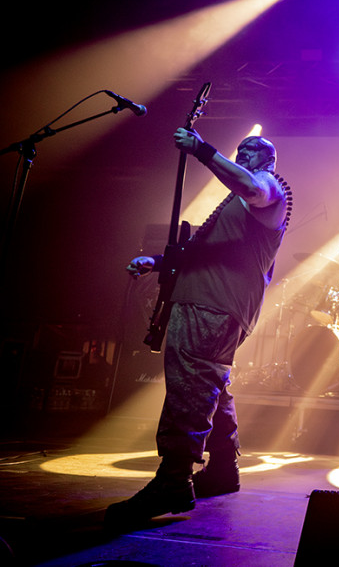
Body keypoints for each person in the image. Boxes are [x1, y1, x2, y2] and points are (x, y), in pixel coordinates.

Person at [106, 130, 290, 527]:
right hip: (206, 300)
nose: (243, 154)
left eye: (252, 151)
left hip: (214, 304)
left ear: (270, 161)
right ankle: (223, 468)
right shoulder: (235, 204)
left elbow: (251, 186)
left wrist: (203, 150)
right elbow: (204, 252)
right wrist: (158, 262)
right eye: (240, 149)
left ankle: (173, 480)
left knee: (190, 385)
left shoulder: (270, 187)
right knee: (210, 384)